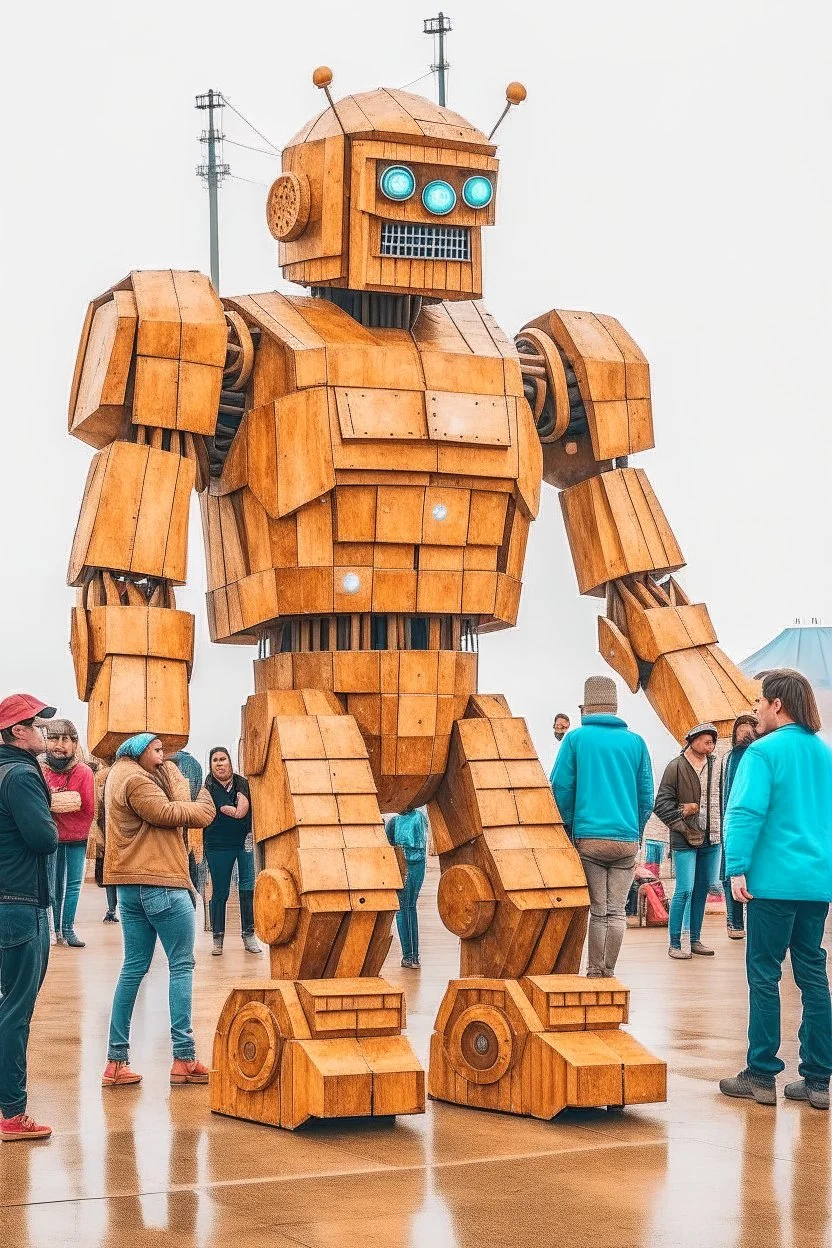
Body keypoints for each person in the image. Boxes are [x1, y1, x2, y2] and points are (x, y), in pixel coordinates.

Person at [720, 670, 832, 1110]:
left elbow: (745, 810)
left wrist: (737, 868)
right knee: (812, 975)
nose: (755, 711)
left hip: (771, 882)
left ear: (777, 704)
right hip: (815, 884)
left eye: (758, 703)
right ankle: (819, 1079)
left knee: (764, 973)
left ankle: (761, 1073)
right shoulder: (824, 754)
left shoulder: (762, 752)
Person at [101, 733, 215, 1088]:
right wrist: (205, 805)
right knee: (181, 966)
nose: (163, 757)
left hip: (130, 888)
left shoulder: (117, 775)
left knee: (133, 969)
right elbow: (165, 812)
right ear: (138, 750)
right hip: (161, 882)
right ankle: (184, 1057)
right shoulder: (134, 779)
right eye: (158, 750)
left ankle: (116, 1061)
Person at [551, 675, 654, 978]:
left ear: (587, 707)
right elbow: (646, 796)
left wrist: (568, 829)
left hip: (589, 839)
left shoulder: (576, 739)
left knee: (598, 910)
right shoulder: (636, 742)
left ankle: (596, 971)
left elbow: (561, 789)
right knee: (617, 910)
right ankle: (609, 970)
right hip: (625, 840)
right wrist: (634, 830)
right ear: (615, 706)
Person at [0, 693, 58, 1142]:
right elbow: (43, 839)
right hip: (19, 904)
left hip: (8, 900)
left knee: (8, 1007)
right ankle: (12, 1112)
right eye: (38, 725)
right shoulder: (21, 775)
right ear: (18, 731)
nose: (45, 733)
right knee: (16, 1011)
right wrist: (53, 813)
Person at [654, 723, 722, 961]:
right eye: (705, 740)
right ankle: (674, 943)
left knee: (702, 891)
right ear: (691, 740)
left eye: (712, 741)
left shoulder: (716, 766)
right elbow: (660, 804)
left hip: (712, 837)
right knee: (684, 889)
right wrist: (684, 813)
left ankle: (695, 940)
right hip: (684, 836)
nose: (710, 745)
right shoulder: (676, 766)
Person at [41, 719, 94, 948]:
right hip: (51, 837)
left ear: (74, 743)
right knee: (53, 886)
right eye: (53, 738)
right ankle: (54, 930)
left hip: (76, 838)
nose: (59, 745)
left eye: (65, 739)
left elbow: (88, 807)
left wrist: (56, 804)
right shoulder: (41, 769)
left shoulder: (83, 771)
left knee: (72, 885)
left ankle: (68, 928)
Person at [203, 747, 260, 956]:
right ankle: (217, 938)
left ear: (230, 762)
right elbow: (235, 811)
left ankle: (249, 934)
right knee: (220, 892)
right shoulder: (209, 786)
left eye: (222, 759)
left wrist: (240, 806)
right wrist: (238, 805)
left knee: (247, 888)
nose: (219, 763)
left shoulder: (241, 781)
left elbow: (243, 808)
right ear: (211, 765)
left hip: (243, 842)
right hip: (217, 845)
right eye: (215, 760)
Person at [720, 714, 757, 940]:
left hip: (742, 822)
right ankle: (735, 923)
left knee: (743, 874)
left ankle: (744, 924)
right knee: (731, 874)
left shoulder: (756, 755)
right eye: (740, 730)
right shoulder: (729, 757)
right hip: (731, 823)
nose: (744, 735)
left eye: (748, 730)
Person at [386, 807, 428, 969]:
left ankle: (408, 956)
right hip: (418, 865)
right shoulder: (420, 817)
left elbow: (387, 846)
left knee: (402, 910)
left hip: (403, 866)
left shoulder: (394, 822)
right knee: (411, 908)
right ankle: (414, 957)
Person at [89, 759, 118, 922]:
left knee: (111, 876)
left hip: (109, 830)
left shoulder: (102, 776)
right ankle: (113, 910)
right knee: (111, 875)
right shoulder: (103, 776)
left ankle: (112, 910)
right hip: (109, 831)